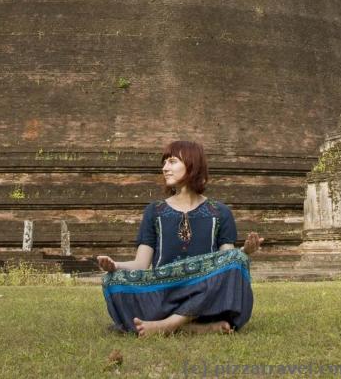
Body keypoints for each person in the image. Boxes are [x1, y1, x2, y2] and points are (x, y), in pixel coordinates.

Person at [97, 140, 263, 337]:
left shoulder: (220, 212)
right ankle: (191, 327)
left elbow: (226, 260)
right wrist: (115, 266)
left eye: (172, 161)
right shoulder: (154, 211)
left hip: (205, 291)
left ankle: (167, 325)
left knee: (238, 259)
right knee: (112, 280)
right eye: (164, 163)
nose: (165, 168)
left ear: (192, 164)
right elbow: (141, 264)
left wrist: (245, 252)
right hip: (165, 290)